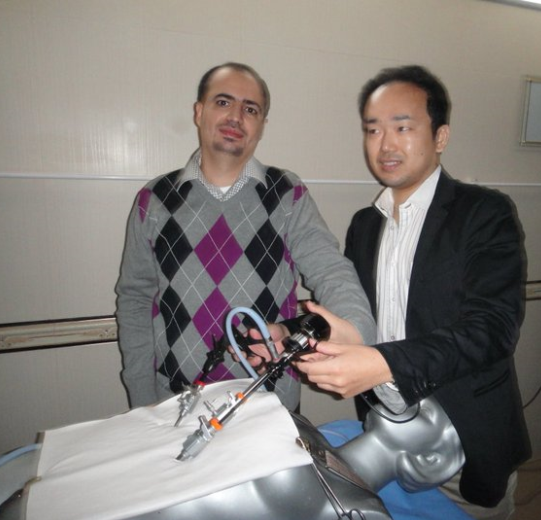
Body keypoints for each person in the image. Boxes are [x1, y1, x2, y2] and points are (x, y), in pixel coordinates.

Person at [295, 65, 531, 520]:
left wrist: (384, 364)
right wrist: (288, 336)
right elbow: (354, 314)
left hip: (464, 445)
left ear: (440, 137)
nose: (385, 144)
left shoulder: (484, 213)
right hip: (386, 435)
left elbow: (493, 330)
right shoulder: (366, 225)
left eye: (403, 127)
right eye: (373, 130)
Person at [115, 62, 375, 412]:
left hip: (269, 404)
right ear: (199, 112)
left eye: (250, 109)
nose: (236, 116)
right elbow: (135, 299)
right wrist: (143, 401)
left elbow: (330, 269)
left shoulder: (286, 194)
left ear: (262, 125)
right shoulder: (155, 200)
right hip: (175, 404)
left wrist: (358, 334)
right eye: (223, 102)